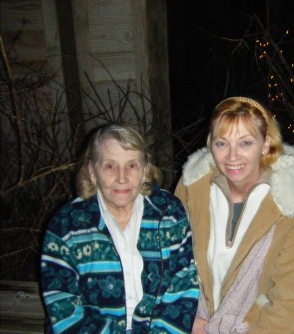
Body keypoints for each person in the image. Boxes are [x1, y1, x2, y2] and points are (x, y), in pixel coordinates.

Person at [174, 96, 294, 334]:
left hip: (258, 324)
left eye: (245, 143)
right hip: (195, 318)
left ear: (266, 144)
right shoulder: (193, 188)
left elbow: (290, 298)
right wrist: (182, 315)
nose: (232, 157)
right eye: (222, 144)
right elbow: (172, 262)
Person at [41, 124, 199, 334]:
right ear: (92, 171)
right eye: (110, 166)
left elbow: (183, 287)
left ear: (144, 170)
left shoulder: (168, 214)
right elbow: (63, 305)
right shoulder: (67, 225)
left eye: (132, 165)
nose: (122, 177)